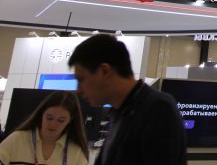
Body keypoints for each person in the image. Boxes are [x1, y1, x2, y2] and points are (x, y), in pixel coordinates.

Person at [68, 34, 187, 165]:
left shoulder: (158, 109)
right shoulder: (121, 113)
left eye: (81, 79)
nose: (78, 90)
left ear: (104, 71)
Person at [0, 90, 89, 165]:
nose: (53, 124)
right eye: (49, 118)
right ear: (42, 114)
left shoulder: (76, 151)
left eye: (61, 120)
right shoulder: (17, 139)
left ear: (70, 120)